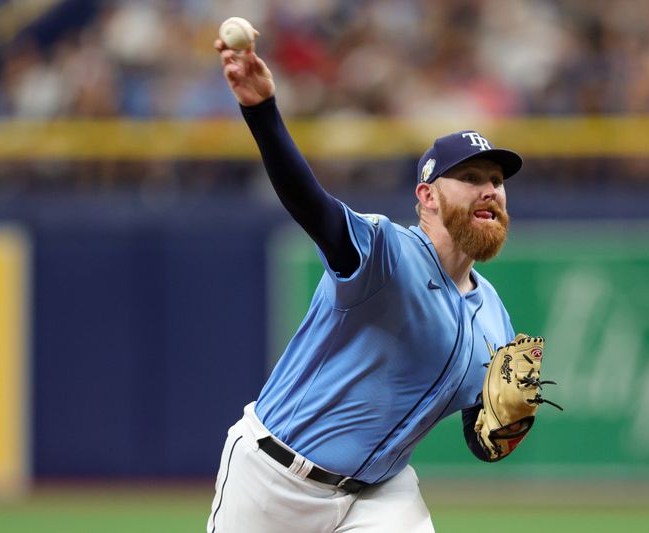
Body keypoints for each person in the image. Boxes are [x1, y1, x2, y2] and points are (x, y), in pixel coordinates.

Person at [208, 36, 528, 533]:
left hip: (381, 494)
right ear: (427, 197)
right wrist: (262, 112)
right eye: (470, 177)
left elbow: (482, 433)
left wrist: (503, 424)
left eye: (497, 181)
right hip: (274, 477)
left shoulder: (494, 315)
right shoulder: (385, 252)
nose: (490, 189)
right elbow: (309, 203)